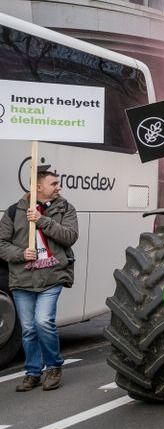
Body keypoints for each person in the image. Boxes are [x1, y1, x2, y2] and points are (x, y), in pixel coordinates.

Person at [0, 166, 79, 392]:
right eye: (54, 184)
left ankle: (53, 366)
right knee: (28, 329)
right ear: (38, 187)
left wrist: (42, 220)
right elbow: (1, 243)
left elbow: (70, 237)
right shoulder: (14, 211)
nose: (59, 187)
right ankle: (33, 372)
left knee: (43, 321)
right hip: (22, 279)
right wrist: (21, 254)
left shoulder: (66, 208)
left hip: (52, 275)